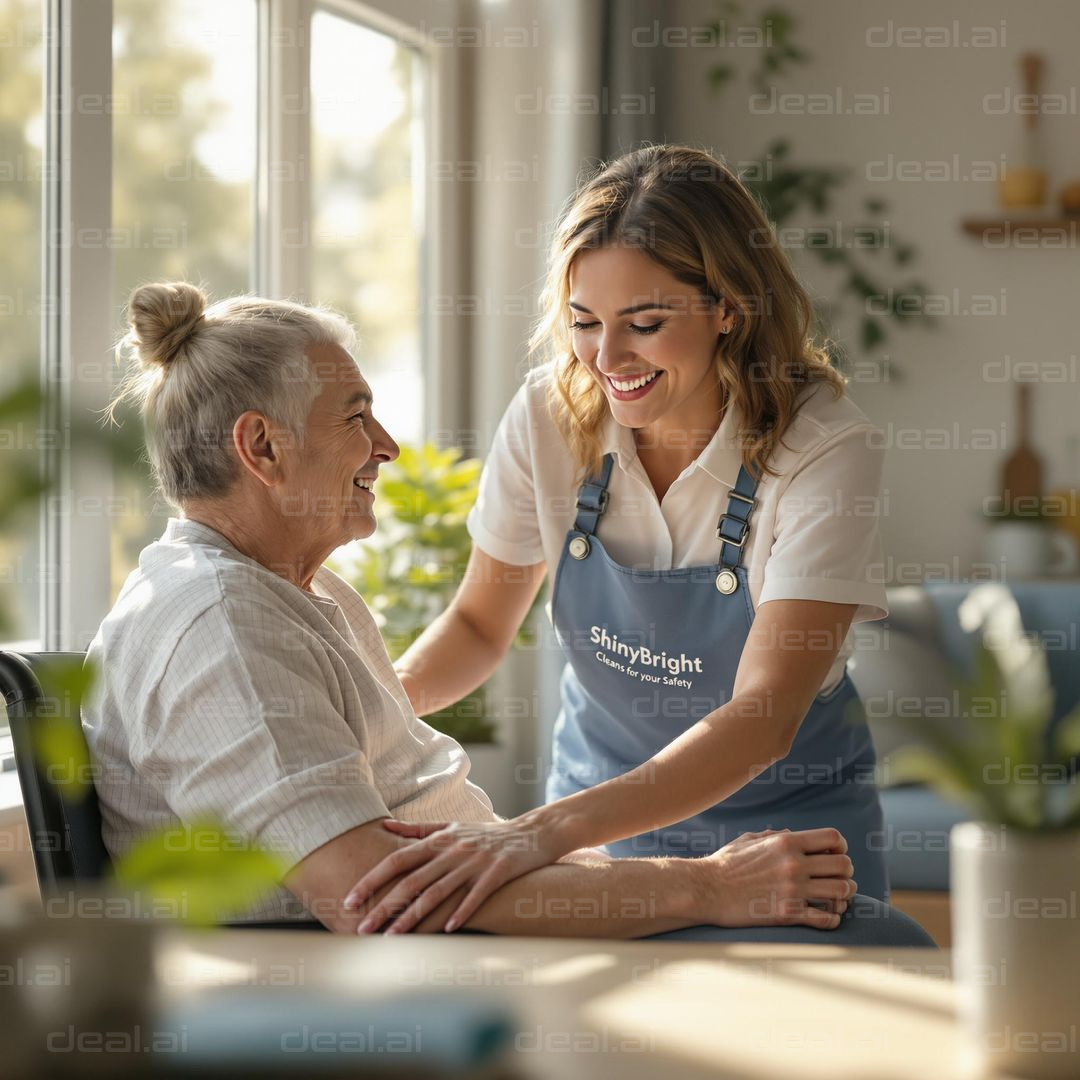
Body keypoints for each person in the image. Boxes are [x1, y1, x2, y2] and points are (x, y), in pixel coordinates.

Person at [79, 280, 874, 940]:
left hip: (733, 819)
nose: (387, 445)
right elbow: (377, 902)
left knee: (869, 944)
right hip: (420, 972)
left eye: (645, 322)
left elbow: (765, 717)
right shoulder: (222, 628)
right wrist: (701, 888)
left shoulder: (300, 597)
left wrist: (635, 873)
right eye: (356, 416)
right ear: (262, 449)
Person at [344, 144, 893, 938]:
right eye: (584, 324)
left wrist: (535, 833)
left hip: (788, 842)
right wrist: (362, 715)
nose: (606, 360)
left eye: (645, 324)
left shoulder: (824, 448)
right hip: (600, 831)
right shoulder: (547, 418)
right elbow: (476, 627)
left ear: (729, 307)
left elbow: (764, 715)